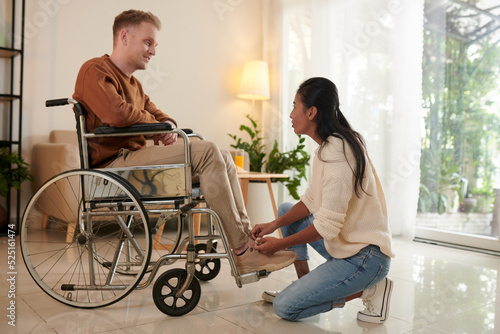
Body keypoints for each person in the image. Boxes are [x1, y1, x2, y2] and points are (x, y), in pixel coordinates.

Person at [72, 9, 296, 275]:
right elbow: (115, 112)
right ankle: (241, 251)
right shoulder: (94, 69)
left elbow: (160, 115)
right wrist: (157, 128)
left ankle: (249, 242)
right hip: (114, 168)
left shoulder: (134, 85)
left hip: (132, 163)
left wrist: (165, 126)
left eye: (154, 44)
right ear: (124, 36)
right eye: (148, 42)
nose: (153, 51)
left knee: (223, 156)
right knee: (208, 151)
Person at [251, 77, 395, 323]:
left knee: (285, 307)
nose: (290, 114)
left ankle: (370, 289)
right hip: (349, 248)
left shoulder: (337, 151)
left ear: (311, 112)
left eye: (295, 106)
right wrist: (274, 224)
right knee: (287, 209)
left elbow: (326, 226)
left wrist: (278, 245)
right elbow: (310, 201)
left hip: (365, 259)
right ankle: (304, 287)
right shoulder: (327, 147)